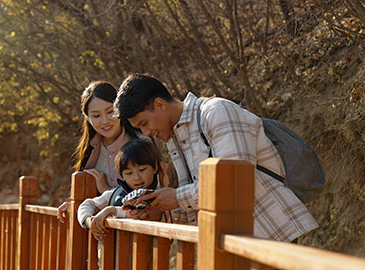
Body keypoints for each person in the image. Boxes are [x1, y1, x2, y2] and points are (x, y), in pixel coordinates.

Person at [113, 74, 318, 242]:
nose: (146, 133)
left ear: (160, 104)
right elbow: (204, 203)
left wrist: (176, 197)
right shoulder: (174, 137)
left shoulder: (216, 112)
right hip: (234, 244)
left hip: (272, 233)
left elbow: (236, 181)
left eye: (144, 123)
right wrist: (160, 211)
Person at [57, 81, 167, 223]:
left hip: (138, 236)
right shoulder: (90, 149)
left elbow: (151, 196)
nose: (105, 121)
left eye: (110, 112)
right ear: (88, 118)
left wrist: (105, 189)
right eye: (96, 116)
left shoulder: (143, 143)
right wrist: (74, 204)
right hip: (100, 236)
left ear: (120, 109)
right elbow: (89, 200)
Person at [77, 139, 164, 240]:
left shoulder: (162, 196)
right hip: (110, 255)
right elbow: (87, 204)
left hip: (151, 254)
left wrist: (112, 211)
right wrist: (89, 220)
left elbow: (138, 214)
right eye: (129, 173)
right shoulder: (115, 195)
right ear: (121, 175)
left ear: (155, 167)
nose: (137, 177)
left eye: (142, 170)